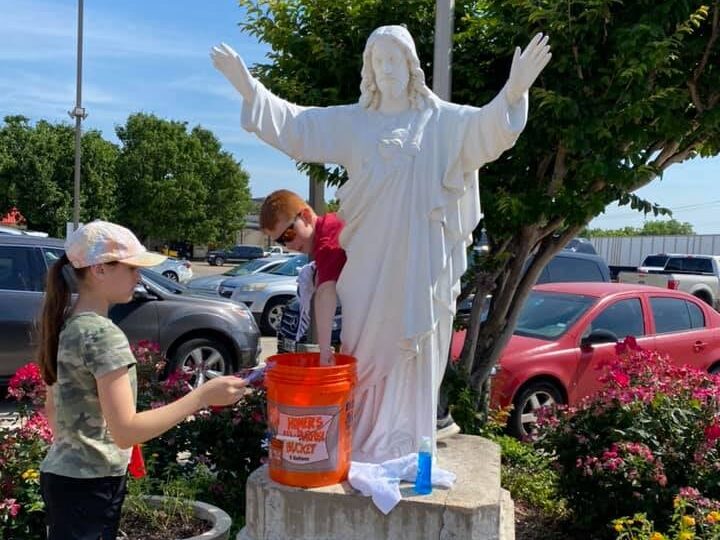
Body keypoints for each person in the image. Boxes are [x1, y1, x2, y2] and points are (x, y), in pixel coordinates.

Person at [212, 26, 550, 463]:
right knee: (367, 345)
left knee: (417, 343)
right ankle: (369, 439)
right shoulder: (356, 121)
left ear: (411, 65)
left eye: (395, 59)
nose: (388, 69)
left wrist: (513, 91)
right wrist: (250, 87)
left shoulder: (442, 120)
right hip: (370, 260)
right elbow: (299, 126)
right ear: (369, 70)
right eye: (379, 61)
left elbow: (486, 131)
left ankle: (409, 443)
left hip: (422, 259)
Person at [37, 220, 247, 539]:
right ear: (99, 269)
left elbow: (54, 412)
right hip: (91, 487)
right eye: (132, 267)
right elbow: (125, 431)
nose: (139, 276)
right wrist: (202, 396)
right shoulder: (103, 335)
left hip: (63, 478)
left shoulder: (69, 326)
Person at [259, 189, 346, 366]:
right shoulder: (332, 228)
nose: (289, 245)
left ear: (305, 216)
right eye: (281, 242)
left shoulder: (328, 241)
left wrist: (324, 352)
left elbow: (325, 293)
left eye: (289, 235)